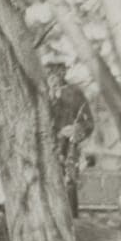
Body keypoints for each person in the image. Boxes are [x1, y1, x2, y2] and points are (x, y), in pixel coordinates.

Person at [45, 56, 94, 218]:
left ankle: (72, 221)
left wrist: (76, 129)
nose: (54, 74)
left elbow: (89, 122)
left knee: (69, 183)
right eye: (50, 70)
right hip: (46, 147)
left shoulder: (75, 93)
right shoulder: (41, 94)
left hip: (69, 148)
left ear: (64, 71)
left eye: (58, 69)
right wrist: (51, 96)